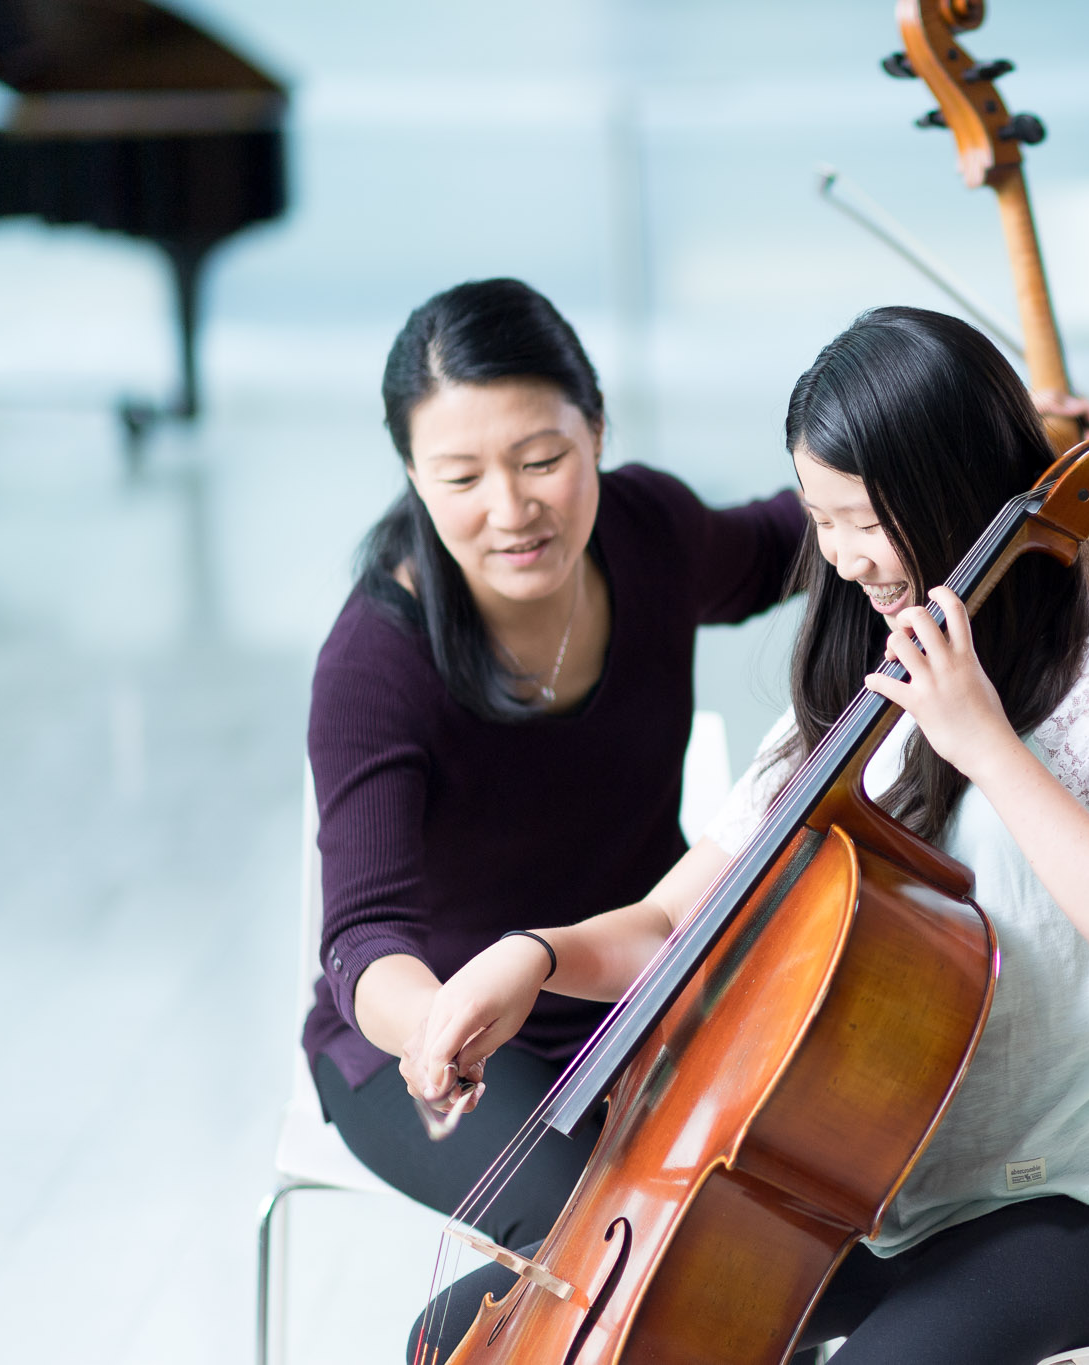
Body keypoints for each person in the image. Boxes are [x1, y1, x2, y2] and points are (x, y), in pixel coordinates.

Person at [407, 305, 1089, 1365]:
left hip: (1073, 1207)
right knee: (459, 1334)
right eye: (819, 519)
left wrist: (985, 742)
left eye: (865, 521)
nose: (841, 558)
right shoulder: (851, 694)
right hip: (861, 1210)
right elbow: (673, 923)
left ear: (958, 491)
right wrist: (533, 958)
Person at [305, 277, 807, 1252]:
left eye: (542, 460)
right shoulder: (374, 662)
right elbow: (363, 937)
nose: (511, 510)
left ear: (597, 431)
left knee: (807, 1196)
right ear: (412, 475)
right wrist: (440, 1027)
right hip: (448, 1036)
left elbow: (793, 536)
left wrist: (988, 448)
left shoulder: (646, 530)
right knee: (616, 1231)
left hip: (636, 982)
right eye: (460, 478)